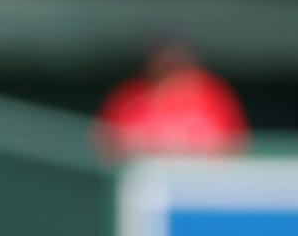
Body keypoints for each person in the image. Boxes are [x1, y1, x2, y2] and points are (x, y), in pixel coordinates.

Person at [94, 37, 248, 157]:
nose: (170, 68)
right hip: (144, 188)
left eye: (176, 61)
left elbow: (237, 146)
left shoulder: (215, 95)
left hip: (205, 187)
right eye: (164, 62)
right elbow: (104, 147)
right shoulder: (129, 98)